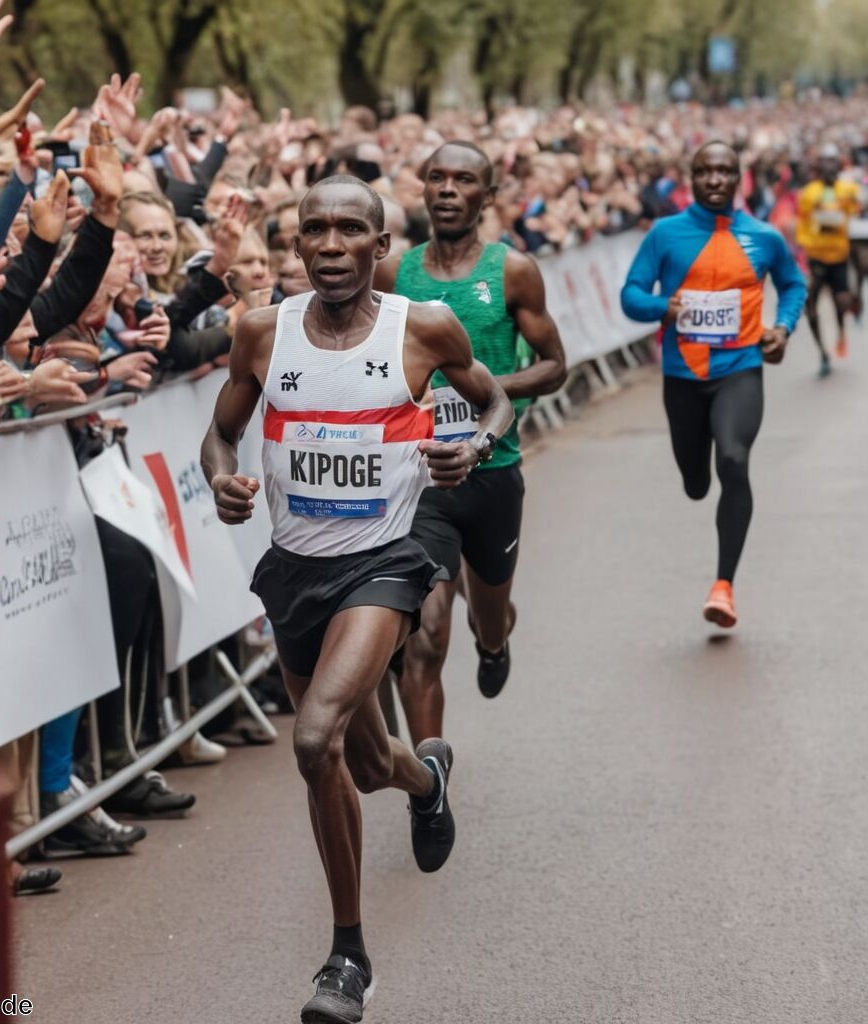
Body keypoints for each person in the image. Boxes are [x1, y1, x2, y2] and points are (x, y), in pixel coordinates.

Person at [201, 174, 513, 1023]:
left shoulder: (427, 328)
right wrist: (224, 481)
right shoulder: (261, 332)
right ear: (296, 246)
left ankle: (346, 956)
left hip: (383, 564)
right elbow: (222, 432)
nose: (332, 245)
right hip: (293, 570)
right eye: (316, 231)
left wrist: (472, 450)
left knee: (313, 739)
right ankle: (426, 782)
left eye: (350, 231)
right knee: (370, 764)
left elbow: (494, 399)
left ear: (381, 249)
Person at [375, 141, 566, 745]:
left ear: (487, 196)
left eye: (464, 179)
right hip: (418, 478)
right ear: (424, 191)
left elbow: (555, 365)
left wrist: (481, 388)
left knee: (485, 617)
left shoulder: (511, 270)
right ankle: (428, 781)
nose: (449, 189)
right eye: (437, 178)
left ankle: (495, 638)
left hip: (492, 473)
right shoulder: (392, 274)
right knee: (425, 635)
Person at [621, 141, 807, 628]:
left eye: (725, 171)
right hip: (682, 376)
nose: (715, 180)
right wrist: (664, 307)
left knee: (734, 459)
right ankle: (694, 475)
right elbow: (631, 295)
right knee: (696, 482)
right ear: (692, 178)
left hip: (740, 368)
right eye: (705, 171)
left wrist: (782, 328)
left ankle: (724, 586)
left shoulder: (764, 238)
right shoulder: (665, 234)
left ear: (739, 178)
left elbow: (793, 284)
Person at [796, 144, 862, 374]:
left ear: (839, 163)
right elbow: (802, 224)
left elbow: (857, 208)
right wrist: (808, 243)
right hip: (816, 260)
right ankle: (823, 353)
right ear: (818, 165)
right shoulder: (809, 192)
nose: (829, 166)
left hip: (840, 257)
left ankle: (844, 326)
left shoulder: (847, 189)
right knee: (810, 305)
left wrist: (853, 200)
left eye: (833, 161)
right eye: (824, 161)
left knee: (840, 303)